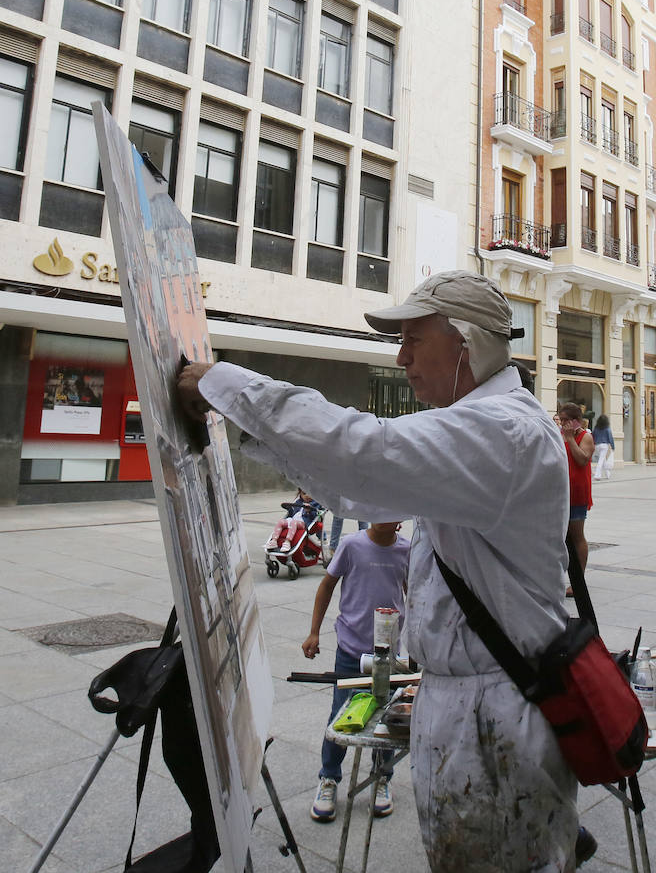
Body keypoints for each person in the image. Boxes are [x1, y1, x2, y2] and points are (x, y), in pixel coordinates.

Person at [176, 271, 587, 871]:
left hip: (495, 715)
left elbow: (365, 452)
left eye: (414, 340)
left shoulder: (500, 429)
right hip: (481, 703)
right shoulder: (489, 424)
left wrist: (225, 385)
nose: (402, 359)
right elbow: (368, 494)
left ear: (465, 345)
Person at [302, 520, 410, 822]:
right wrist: (314, 632)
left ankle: (382, 777)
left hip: (387, 654)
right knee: (341, 718)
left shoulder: (406, 550)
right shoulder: (351, 545)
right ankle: (328, 778)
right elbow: (326, 585)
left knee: (387, 720)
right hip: (350, 650)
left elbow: (413, 593)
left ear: (400, 518)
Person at [559, 402, 594, 598]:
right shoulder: (560, 434)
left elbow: (582, 459)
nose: (563, 424)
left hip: (577, 492)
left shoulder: (585, 436)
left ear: (577, 421)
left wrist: (571, 439)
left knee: (576, 535)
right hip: (562, 491)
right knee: (563, 536)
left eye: (567, 420)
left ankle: (578, 579)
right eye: (561, 419)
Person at [271, 489, 320, 553]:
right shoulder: (298, 502)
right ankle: (274, 540)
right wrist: (289, 508)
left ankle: (287, 542)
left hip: (303, 523)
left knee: (293, 523)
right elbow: (292, 513)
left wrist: (309, 511)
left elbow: (316, 517)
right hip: (293, 520)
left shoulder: (315, 504)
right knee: (281, 522)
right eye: (304, 493)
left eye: (310, 494)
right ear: (300, 494)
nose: (307, 496)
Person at [591, 414, 615, 480]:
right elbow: (610, 438)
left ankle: (608, 474)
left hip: (597, 445)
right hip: (604, 445)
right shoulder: (607, 428)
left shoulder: (596, 428)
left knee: (603, 459)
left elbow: (592, 436)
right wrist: (613, 446)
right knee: (601, 460)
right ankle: (597, 475)